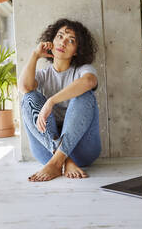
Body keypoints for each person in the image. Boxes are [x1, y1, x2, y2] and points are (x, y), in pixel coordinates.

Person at [18, 18, 101, 182]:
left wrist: (51, 101)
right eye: (60, 36)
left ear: (77, 50)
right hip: (47, 151)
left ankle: (58, 161)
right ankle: (62, 161)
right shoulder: (44, 75)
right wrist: (35, 55)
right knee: (29, 97)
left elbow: (89, 81)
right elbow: (24, 88)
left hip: (83, 150)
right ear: (52, 41)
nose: (63, 42)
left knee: (85, 94)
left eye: (71, 40)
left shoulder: (83, 70)